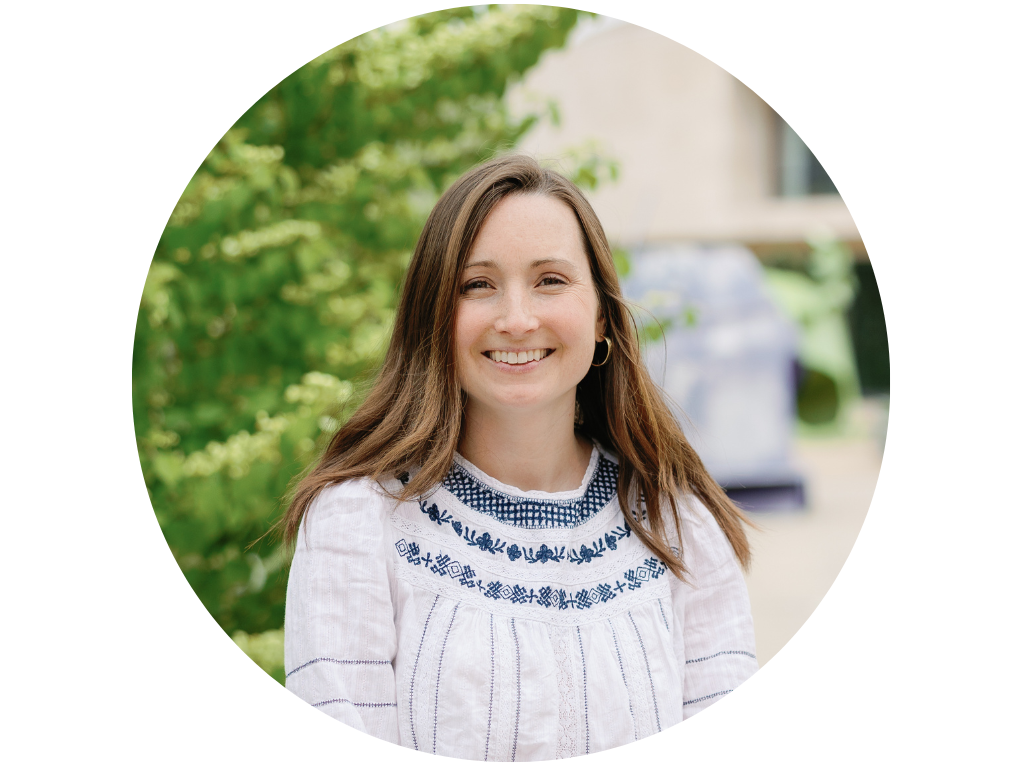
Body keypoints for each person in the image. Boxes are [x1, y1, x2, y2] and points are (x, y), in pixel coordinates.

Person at [276, 154, 760, 762]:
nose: (516, 319)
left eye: (550, 280)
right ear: (434, 320)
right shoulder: (357, 527)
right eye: (477, 286)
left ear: (602, 316)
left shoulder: (681, 527)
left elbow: (730, 746)